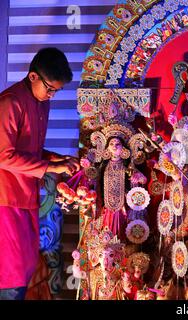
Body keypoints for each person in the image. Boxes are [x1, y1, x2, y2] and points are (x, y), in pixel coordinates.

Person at [0, 48, 80, 300]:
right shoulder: (10, 102)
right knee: (11, 275)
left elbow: (30, 149)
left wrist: (56, 158)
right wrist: (50, 167)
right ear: (33, 76)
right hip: (5, 199)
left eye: (56, 90)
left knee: (25, 270)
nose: (52, 95)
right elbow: (3, 155)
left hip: (26, 197)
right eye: (50, 88)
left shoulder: (40, 103)